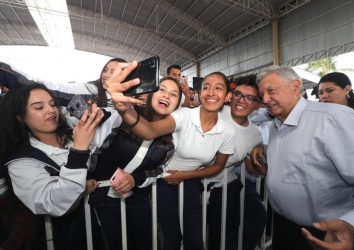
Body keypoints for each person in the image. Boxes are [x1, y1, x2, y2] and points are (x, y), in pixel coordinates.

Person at [107, 63, 235, 250]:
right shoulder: (184, 115)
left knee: (195, 239)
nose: (211, 92)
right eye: (206, 87)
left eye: (219, 88)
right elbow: (149, 131)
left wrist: (184, 176)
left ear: (227, 96)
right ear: (199, 93)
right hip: (163, 179)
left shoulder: (228, 132)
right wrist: (125, 109)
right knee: (171, 237)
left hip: (191, 182)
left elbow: (217, 167)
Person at [250, 66, 354, 250]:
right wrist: (264, 148)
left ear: (295, 86)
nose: (266, 99)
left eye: (271, 91)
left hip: (327, 233)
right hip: (284, 228)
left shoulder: (334, 118)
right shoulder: (277, 123)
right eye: (262, 94)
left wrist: (352, 225)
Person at [0, 83, 121, 249]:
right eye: (38, 107)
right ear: (19, 117)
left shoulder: (73, 135)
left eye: (52, 104)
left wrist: (113, 106)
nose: (50, 110)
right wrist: (79, 151)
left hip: (94, 227)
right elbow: (52, 202)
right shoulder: (21, 161)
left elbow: (111, 125)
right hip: (60, 239)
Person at [86, 77, 183, 250]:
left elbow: (160, 170)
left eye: (173, 94)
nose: (166, 96)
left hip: (138, 198)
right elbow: (95, 148)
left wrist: (135, 180)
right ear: (152, 94)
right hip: (102, 196)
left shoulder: (174, 137)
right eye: (162, 89)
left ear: (177, 105)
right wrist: (85, 178)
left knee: (147, 242)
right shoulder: (123, 116)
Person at [207, 74, 266, 250]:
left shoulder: (255, 133)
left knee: (253, 217)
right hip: (192, 181)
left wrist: (259, 153)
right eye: (238, 94)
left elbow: (255, 170)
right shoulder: (215, 110)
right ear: (231, 95)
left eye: (250, 98)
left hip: (225, 185)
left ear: (257, 105)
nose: (241, 100)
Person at [45, 58, 127, 107]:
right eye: (105, 70)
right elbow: (60, 89)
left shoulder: (130, 103)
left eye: (113, 72)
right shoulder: (91, 90)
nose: (105, 75)